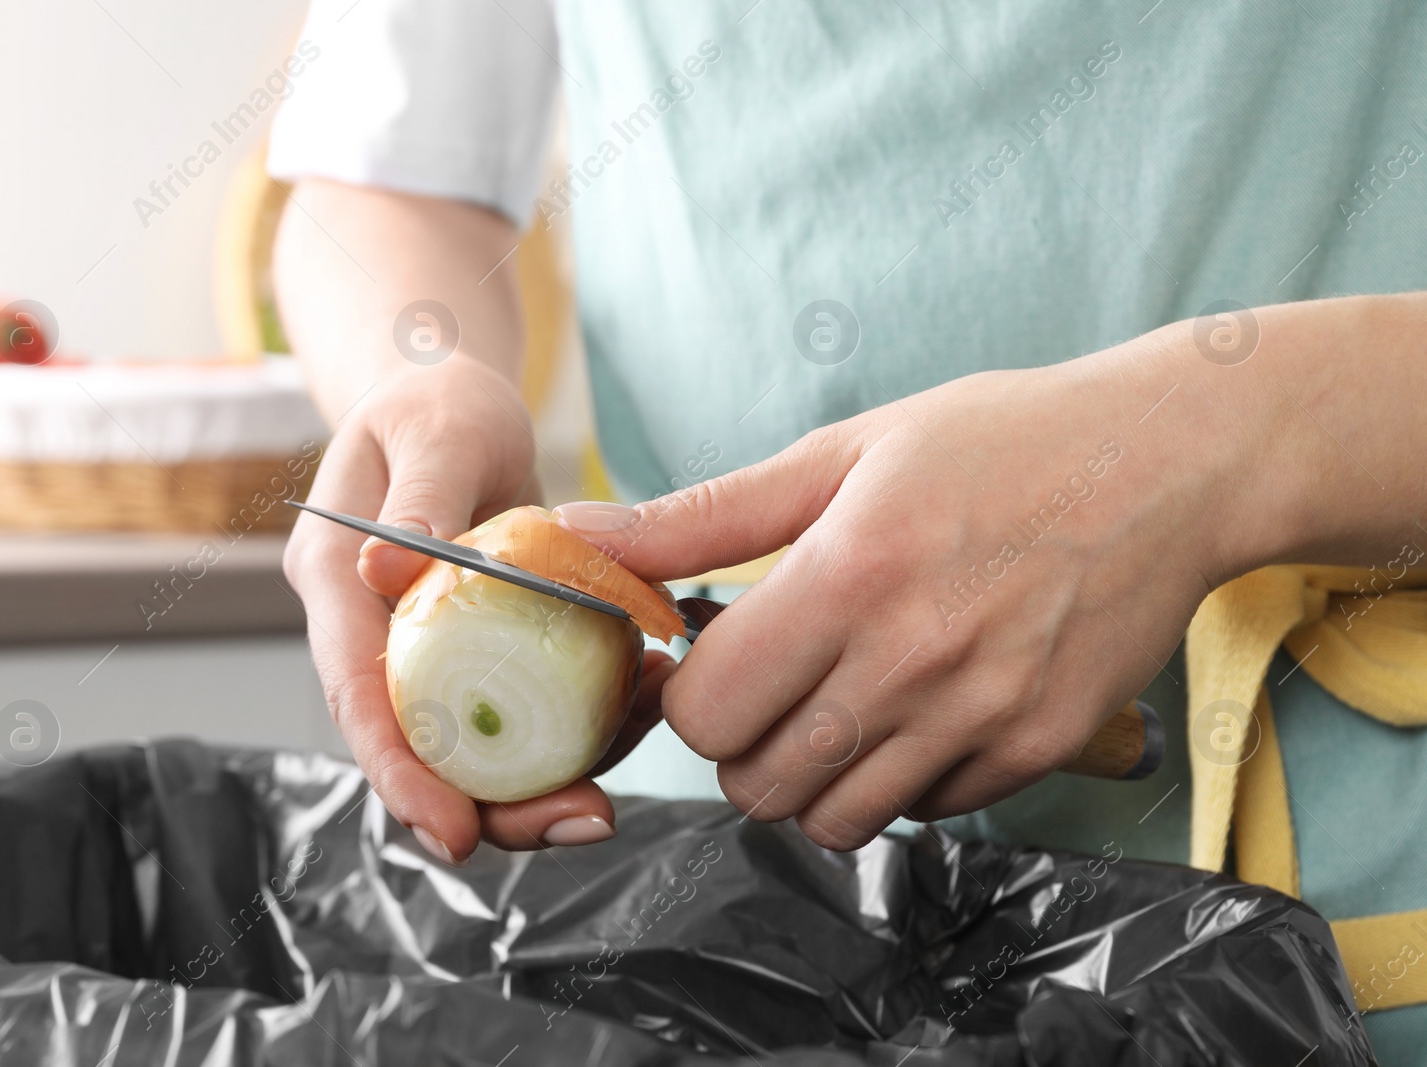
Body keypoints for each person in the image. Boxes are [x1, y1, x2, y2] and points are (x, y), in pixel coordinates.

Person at [268, 0, 1427, 1055]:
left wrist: (1206, 446)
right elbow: (383, 177)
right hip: (727, 911)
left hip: (1358, 899)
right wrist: (421, 373)